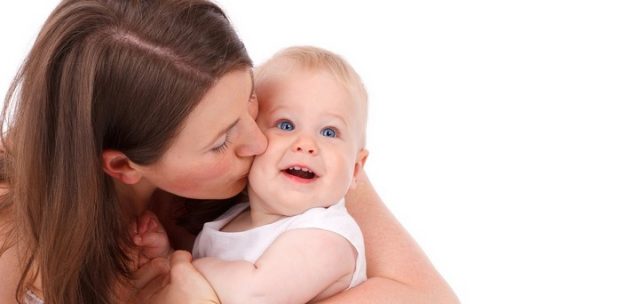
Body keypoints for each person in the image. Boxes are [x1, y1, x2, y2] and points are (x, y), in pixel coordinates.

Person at [0, 0, 459, 303]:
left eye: (251, 101)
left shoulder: (301, 148)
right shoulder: (15, 237)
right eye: (221, 141)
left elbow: (432, 298)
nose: (259, 141)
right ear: (123, 166)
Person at [135, 46, 370, 304]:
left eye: (329, 132)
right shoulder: (231, 220)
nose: (306, 144)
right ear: (251, 140)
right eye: (285, 125)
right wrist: (164, 258)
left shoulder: (327, 237)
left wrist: (181, 265)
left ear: (356, 169)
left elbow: (251, 295)